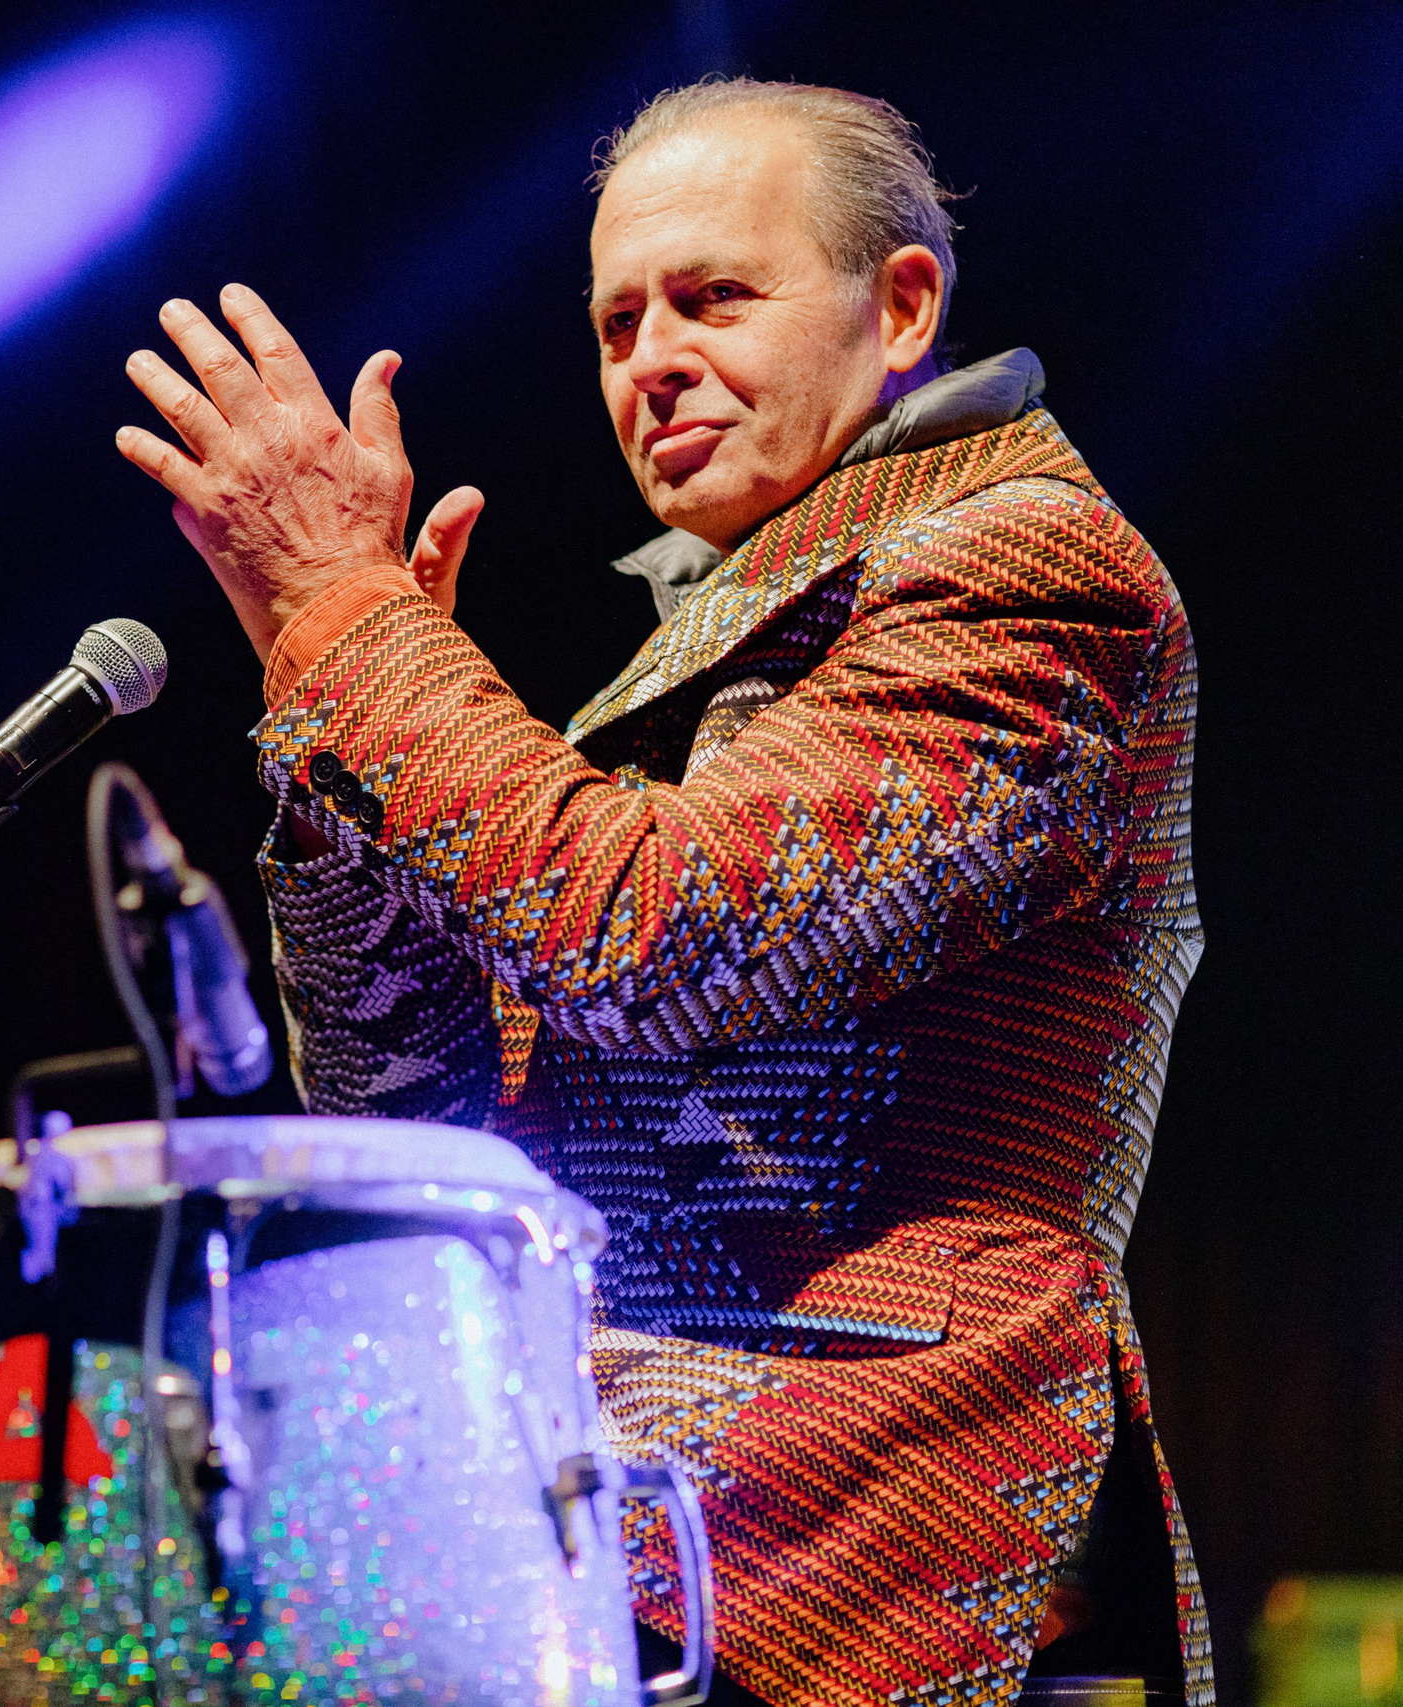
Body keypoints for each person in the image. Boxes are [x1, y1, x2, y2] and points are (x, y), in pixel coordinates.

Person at [116, 81, 1206, 1707]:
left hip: (873, 1524)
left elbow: (650, 941)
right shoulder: (728, 636)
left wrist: (355, 625)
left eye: (716, 296)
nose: (653, 360)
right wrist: (341, 740)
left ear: (900, 306)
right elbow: (414, 1110)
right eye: (620, 320)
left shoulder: (1023, 572)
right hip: (634, 1502)